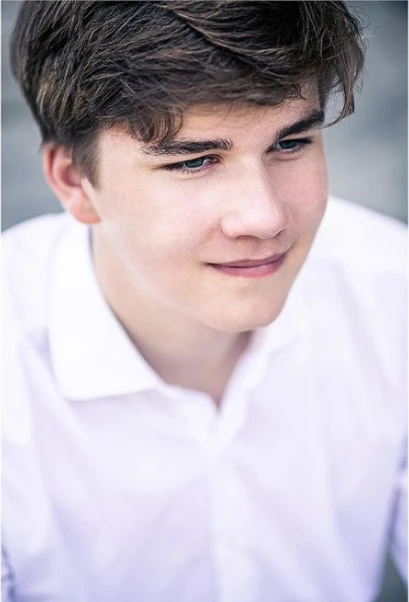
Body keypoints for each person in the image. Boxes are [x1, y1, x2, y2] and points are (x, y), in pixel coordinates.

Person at [2, 1, 406, 601]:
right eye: (194, 161)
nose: (265, 217)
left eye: (291, 143)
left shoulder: (392, 293)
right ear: (74, 182)